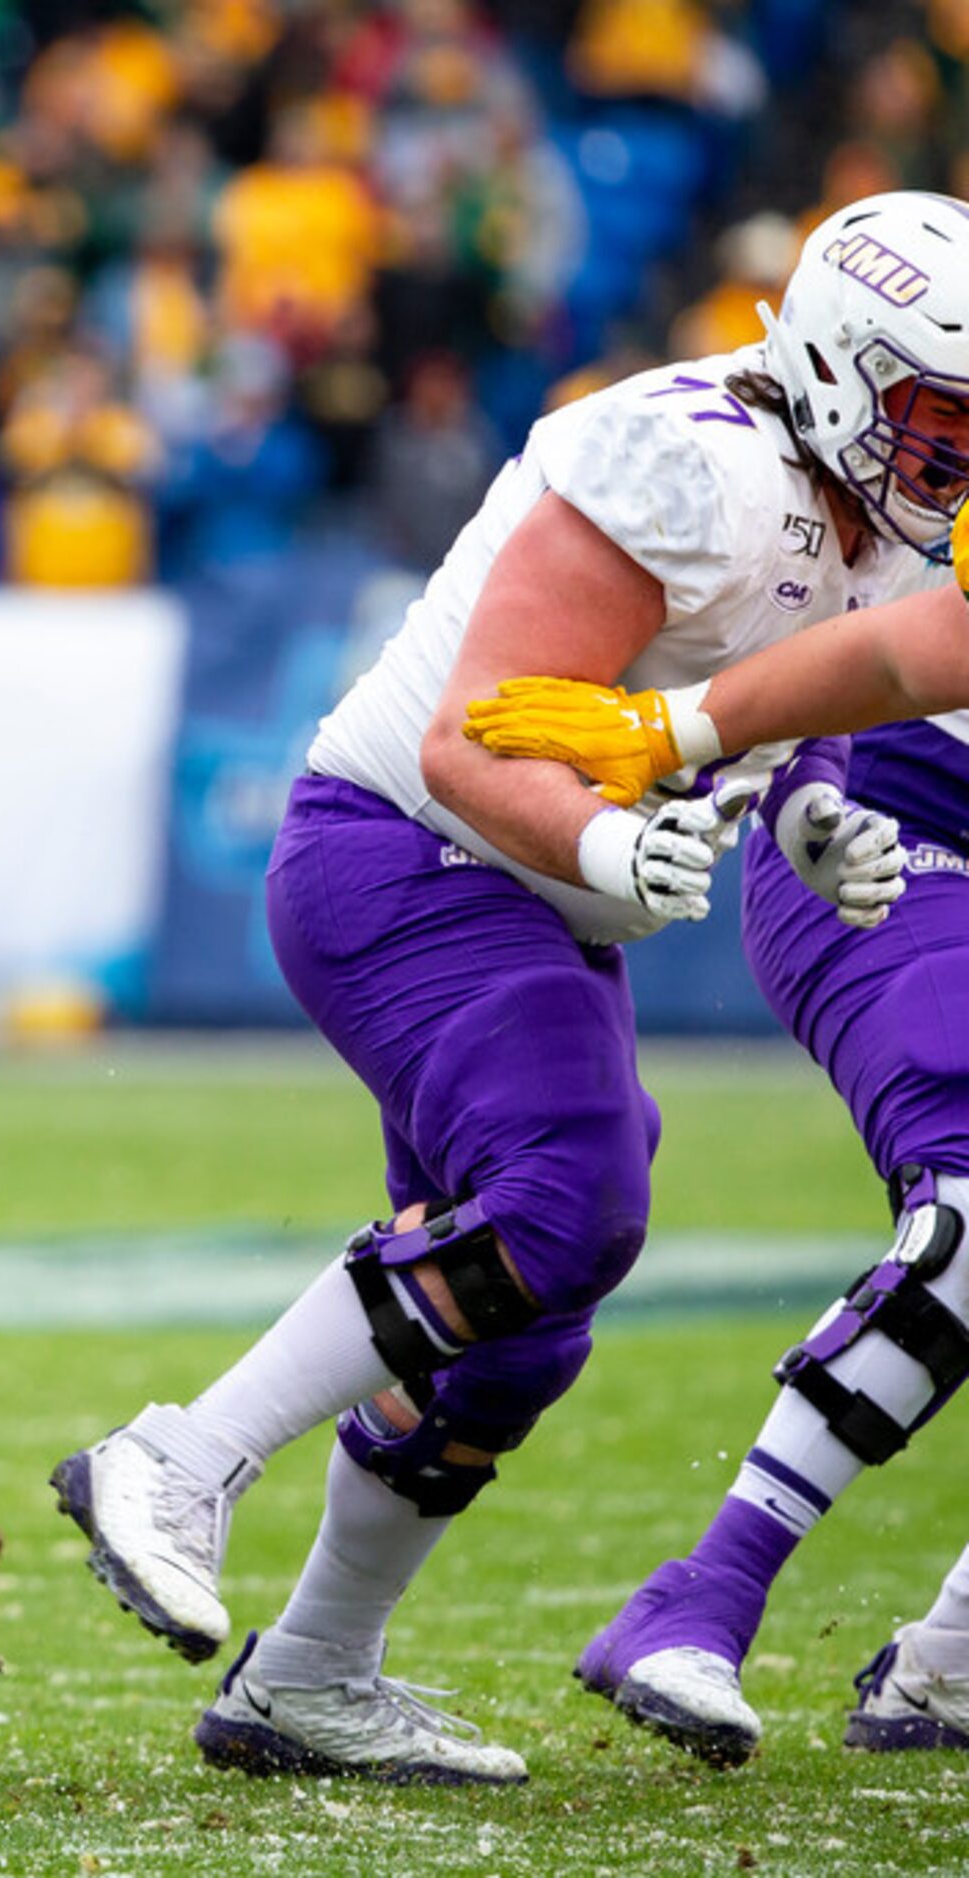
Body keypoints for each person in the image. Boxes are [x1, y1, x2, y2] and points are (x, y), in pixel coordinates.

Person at [47, 191, 969, 1786]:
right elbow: (470, 738)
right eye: (937, 417)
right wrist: (613, 844)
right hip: (404, 855)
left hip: (529, 901)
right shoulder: (688, 464)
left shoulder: (863, 509)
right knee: (572, 1197)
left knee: (520, 1332)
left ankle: (312, 1672)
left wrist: (808, 811)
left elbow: (815, 691)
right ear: (837, 364)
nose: (950, 458)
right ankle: (180, 1456)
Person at [460, 199, 969, 1766]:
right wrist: (684, 734)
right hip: (898, 821)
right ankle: (702, 1593)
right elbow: (912, 654)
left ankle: (947, 1659)